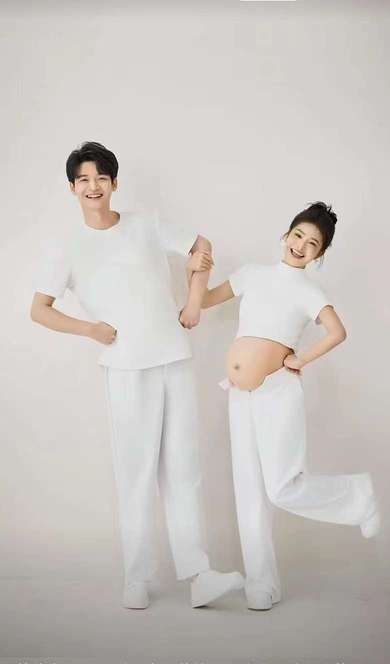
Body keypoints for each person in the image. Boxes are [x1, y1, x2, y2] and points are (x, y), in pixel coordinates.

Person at [30, 141, 243, 610]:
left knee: (184, 469)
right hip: (125, 365)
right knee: (136, 472)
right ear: (72, 188)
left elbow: (201, 245)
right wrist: (90, 329)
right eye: (84, 179)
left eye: (101, 178)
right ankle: (137, 577)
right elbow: (39, 309)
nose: (93, 186)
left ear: (114, 183)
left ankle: (198, 574)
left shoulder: (146, 224)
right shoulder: (66, 247)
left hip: (173, 356)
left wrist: (193, 302)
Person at [188, 201, 381, 611]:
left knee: (281, 487)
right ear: (286, 234)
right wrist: (197, 269)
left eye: (313, 244)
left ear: (319, 254)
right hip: (238, 393)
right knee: (248, 489)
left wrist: (301, 359)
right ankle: (262, 584)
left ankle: (356, 494)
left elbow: (337, 332)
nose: (301, 245)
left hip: (277, 390)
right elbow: (203, 301)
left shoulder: (309, 291)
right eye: (298, 235)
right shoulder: (252, 274)